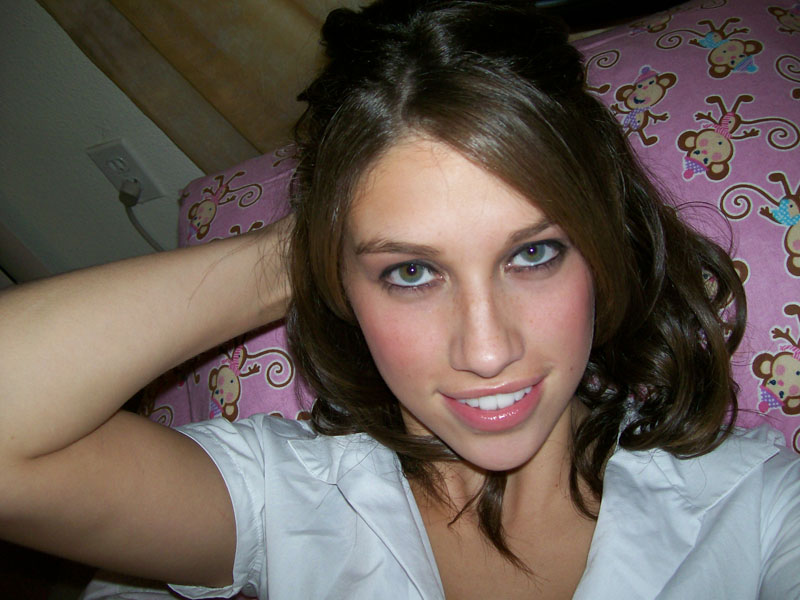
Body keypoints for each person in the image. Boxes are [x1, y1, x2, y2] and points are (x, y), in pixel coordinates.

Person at [2, 1, 799, 599]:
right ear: (339, 283)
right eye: (411, 273)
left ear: (603, 249)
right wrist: (300, 249)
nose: (486, 350)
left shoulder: (756, 512)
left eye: (533, 253)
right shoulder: (288, 497)